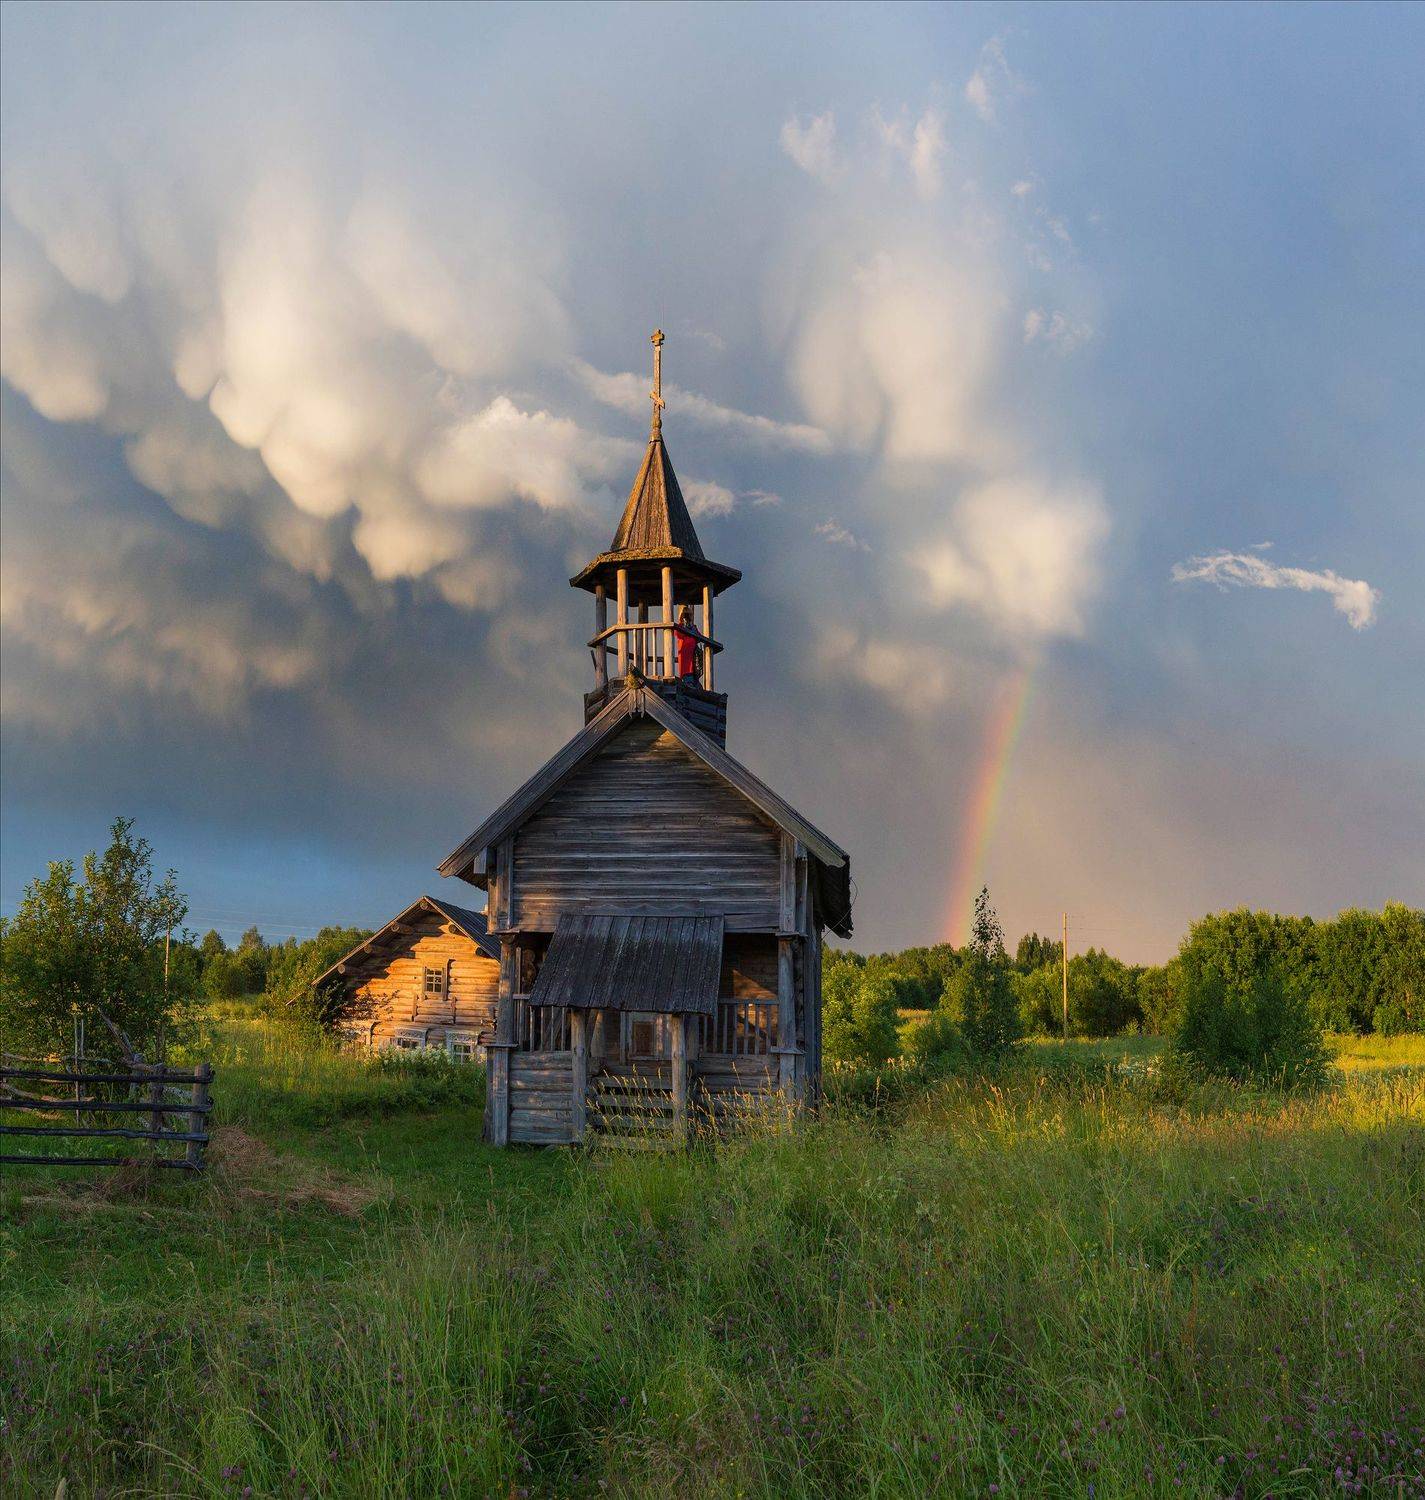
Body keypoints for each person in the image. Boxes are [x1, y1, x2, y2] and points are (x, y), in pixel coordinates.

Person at [674, 604, 700, 680]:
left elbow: (698, 638)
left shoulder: (693, 627)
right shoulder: (680, 626)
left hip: (693, 655)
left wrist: (691, 628)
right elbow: (678, 635)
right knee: (686, 672)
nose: (688, 617)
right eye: (686, 615)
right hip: (685, 654)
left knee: (693, 671)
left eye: (689, 615)